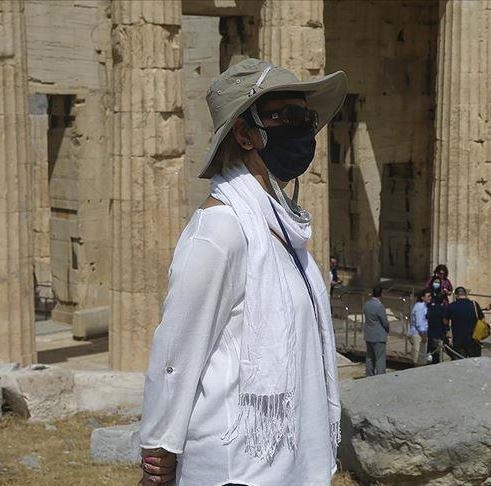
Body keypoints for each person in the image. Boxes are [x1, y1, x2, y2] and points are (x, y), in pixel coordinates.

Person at [136, 58, 348, 485]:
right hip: (234, 465)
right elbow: (178, 348)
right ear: (245, 133)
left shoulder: (284, 228)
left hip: (287, 462)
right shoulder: (219, 229)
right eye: (286, 116)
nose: (303, 130)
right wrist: (159, 448)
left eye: (306, 118)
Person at [443, 287, 483, 359]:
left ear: (456, 295)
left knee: (460, 362)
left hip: (458, 340)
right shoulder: (474, 304)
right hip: (474, 339)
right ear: (466, 294)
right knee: (475, 362)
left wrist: (448, 331)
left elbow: (445, 320)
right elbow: (482, 319)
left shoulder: (451, 306)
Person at [426, 265, 453, 364]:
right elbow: (426, 289)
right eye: (439, 273)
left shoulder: (447, 281)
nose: (441, 275)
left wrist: (446, 292)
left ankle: (445, 344)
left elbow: (451, 291)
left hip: (443, 305)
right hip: (433, 306)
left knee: (443, 325)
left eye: (443, 273)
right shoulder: (432, 280)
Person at [364, 285, 390, 376]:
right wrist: (387, 329)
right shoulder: (379, 306)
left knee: (369, 357)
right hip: (378, 336)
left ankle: (369, 375)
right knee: (380, 358)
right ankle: (380, 376)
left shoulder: (366, 304)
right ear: (381, 294)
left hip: (369, 334)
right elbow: (384, 321)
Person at [409, 289, 431, 366]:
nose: (430, 298)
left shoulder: (424, 306)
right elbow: (419, 323)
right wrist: (423, 335)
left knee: (421, 358)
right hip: (419, 334)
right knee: (418, 358)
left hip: (422, 333)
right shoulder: (420, 307)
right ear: (422, 297)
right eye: (428, 296)